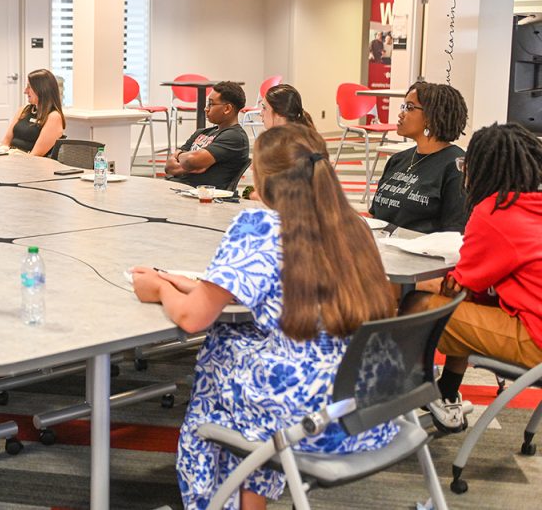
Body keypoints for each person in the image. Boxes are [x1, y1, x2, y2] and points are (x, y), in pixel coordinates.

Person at [132, 123, 396, 510]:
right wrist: (199, 284)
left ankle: (215, 501)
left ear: (261, 178)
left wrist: (158, 287)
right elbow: (287, 287)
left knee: (221, 353)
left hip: (300, 416)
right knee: (247, 355)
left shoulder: (259, 227)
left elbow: (192, 318)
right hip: (365, 407)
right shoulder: (353, 226)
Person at [403, 123, 542, 433]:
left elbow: (459, 286)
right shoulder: (532, 204)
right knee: (469, 303)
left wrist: (414, 284)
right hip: (532, 321)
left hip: (536, 340)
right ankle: (447, 390)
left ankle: (405, 394)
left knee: (418, 305)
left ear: (481, 170)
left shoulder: (495, 211)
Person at [369, 81, 468, 233]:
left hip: (423, 247)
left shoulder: (456, 166)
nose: (401, 114)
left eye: (409, 107)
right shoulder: (397, 160)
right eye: (403, 107)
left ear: (431, 117)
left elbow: (455, 230)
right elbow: (374, 214)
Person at [165, 81, 250, 189]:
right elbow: (169, 167)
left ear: (227, 109)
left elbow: (191, 160)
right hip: (177, 187)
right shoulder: (201, 132)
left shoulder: (235, 137)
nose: (206, 108)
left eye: (211, 104)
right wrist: (187, 160)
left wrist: (179, 155)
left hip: (201, 194)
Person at [0, 68, 66, 156]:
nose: (25, 91)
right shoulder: (24, 109)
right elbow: (5, 142)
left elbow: (35, 155)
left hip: (31, 163)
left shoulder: (54, 117)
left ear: (42, 89)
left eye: (29, 87)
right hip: (13, 159)